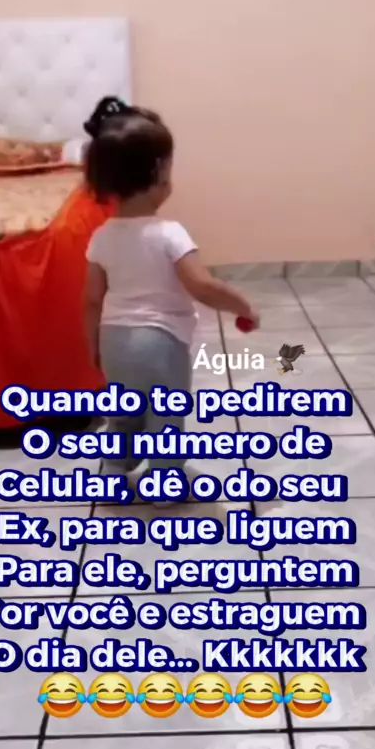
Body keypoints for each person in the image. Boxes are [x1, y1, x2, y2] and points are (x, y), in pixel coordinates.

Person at [83, 97, 259, 494]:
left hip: (114, 345)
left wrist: (92, 345)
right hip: (161, 345)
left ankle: (113, 473)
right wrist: (244, 306)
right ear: (159, 173)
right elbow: (203, 286)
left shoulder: (101, 237)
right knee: (166, 418)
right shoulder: (169, 234)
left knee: (123, 415)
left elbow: (91, 300)